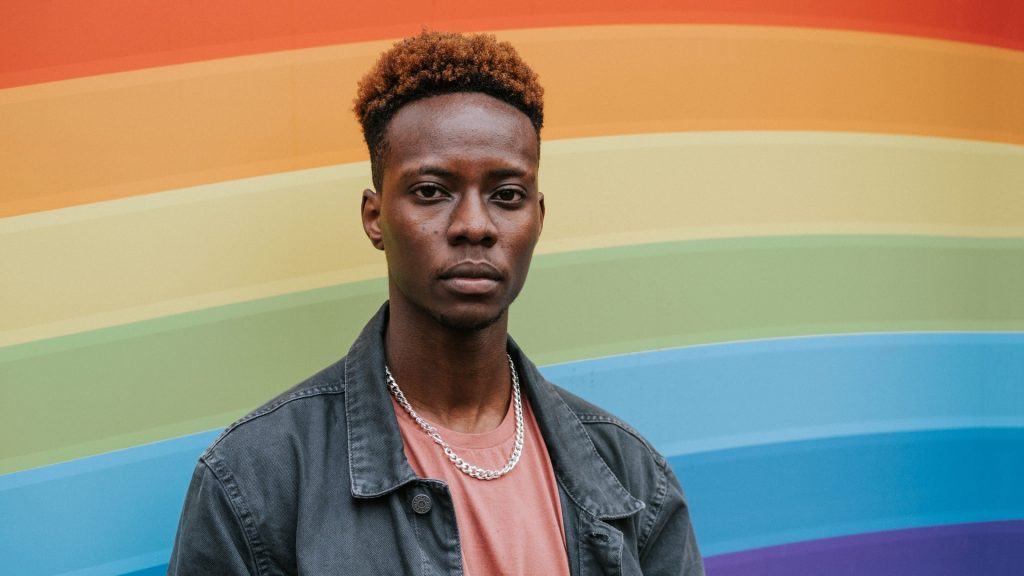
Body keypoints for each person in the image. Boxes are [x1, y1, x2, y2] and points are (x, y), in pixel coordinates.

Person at [169, 30, 703, 575]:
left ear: (538, 218)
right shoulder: (257, 479)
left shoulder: (632, 478)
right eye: (430, 191)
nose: (474, 225)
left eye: (507, 196)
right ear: (375, 218)